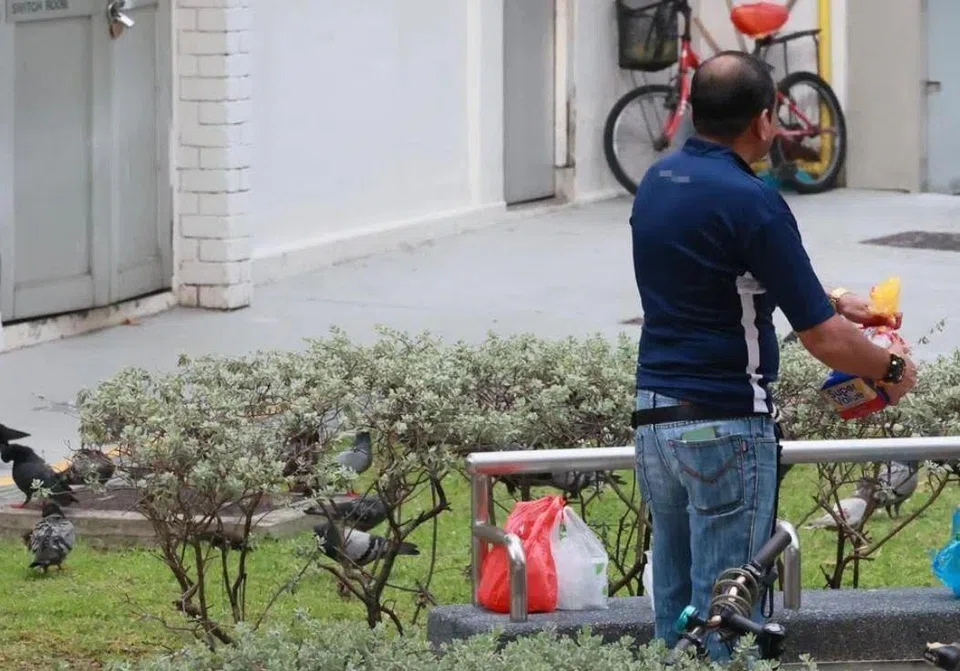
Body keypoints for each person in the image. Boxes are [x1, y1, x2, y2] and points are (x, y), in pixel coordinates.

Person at [629, 51, 917, 660]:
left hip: (654, 421)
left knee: (675, 618)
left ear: (697, 112)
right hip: (724, 424)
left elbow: (716, 271)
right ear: (763, 120)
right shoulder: (752, 200)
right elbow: (822, 339)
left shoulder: (659, 180)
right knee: (727, 620)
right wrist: (892, 369)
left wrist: (834, 298)